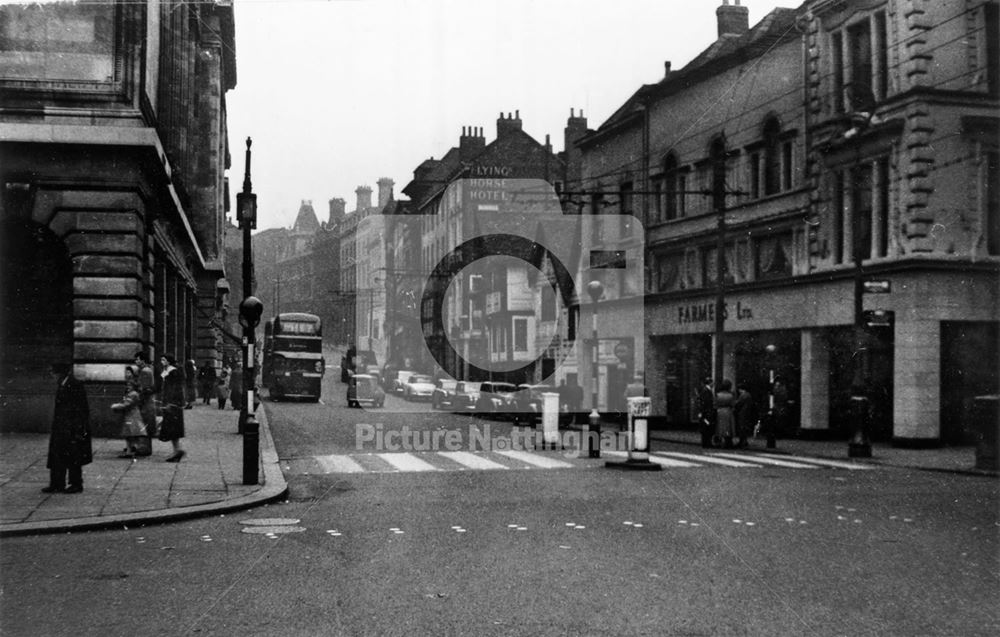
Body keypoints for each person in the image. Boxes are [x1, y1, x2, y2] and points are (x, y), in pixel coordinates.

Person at [44, 362, 91, 493]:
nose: (51, 375)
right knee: (57, 455)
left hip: (72, 428)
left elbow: (82, 409)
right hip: (61, 427)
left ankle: (76, 484)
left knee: (74, 456)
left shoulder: (75, 384)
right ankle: (56, 483)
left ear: (59, 373)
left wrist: (78, 428)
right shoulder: (62, 384)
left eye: (52, 372)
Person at [111, 366, 147, 459]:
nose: (128, 387)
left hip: (131, 416)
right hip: (131, 415)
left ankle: (130, 451)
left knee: (129, 434)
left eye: (129, 386)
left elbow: (127, 404)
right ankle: (131, 449)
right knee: (130, 434)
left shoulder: (133, 394)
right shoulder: (132, 393)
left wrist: (116, 406)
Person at [158, 354, 186, 462]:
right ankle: (177, 451)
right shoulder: (169, 372)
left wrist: (170, 403)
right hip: (171, 404)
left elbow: (174, 389)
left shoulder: (172, 372)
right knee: (172, 429)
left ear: (169, 361)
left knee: (173, 429)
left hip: (172, 405)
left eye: (163, 360)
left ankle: (177, 451)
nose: (161, 361)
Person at [132, 351, 156, 456]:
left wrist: (138, 401)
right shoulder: (147, 369)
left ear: (143, 360)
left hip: (145, 403)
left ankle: (144, 448)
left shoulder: (145, 371)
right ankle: (144, 447)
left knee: (144, 423)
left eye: (137, 359)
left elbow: (144, 389)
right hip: (148, 402)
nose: (136, 361)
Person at [733, 383, 758, 449]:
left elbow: (738, 404)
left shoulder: (743, 396)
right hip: (747, 413)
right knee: (745, 427)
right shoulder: (748, 395)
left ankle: (742, 441)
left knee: (742, 427)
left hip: (742, 413)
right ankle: (744, 441)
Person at [715, 379, 736, 449]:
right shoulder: (731, 395)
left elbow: (715, 404)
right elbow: (733, 404)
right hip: (728, 411)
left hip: (720, 411)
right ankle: (728, 441)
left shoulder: (718, 395)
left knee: (720, 427)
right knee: (728, 427)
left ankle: (720, 440)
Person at [697, 376, 716, 448]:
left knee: (706, 428)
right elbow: (705, 403)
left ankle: (706, 443)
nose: (713, 384)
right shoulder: (706, 391)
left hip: (706, 413)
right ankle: (706, 443)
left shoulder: (706, 390)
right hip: (706, 413)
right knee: (706, 428)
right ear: (710, 383)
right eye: (712, 383)